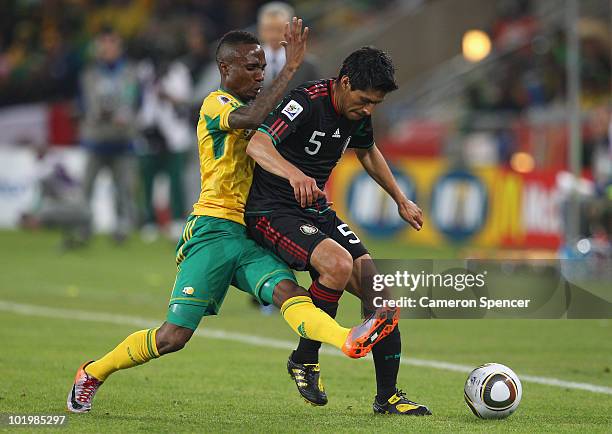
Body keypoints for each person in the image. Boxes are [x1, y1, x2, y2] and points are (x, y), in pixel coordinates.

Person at [67, 22, 398, 414]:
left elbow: (290, 121)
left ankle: (344, 341)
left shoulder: (265, 105)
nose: (261, 76)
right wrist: (290, 69)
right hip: (214, 229)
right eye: (253, 69)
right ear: (226, 70)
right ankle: (93, 372)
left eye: (263, 68)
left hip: (253, 231)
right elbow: (254, 118)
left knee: (288, 294)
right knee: (173, 337)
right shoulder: (216, 104)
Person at [245, 47, 431, 415]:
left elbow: (367, 151)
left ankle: (388, 397)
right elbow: (257, 143)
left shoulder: (357, 112)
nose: (368, 110)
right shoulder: (305, 102)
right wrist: (294, 173)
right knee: (338, 264)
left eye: (375, 104)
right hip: (272, 210)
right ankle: (305, 359)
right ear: (344, 83)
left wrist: (400, 199)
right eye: (364, 101)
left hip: (315, 211)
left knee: (382, 299)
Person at [79, 26, 139, 243]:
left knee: (124, 189)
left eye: (111, 43)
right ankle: (84, 227)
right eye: (104, 44)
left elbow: (135, 101)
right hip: (96, 139)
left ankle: (122, 229)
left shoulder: (130, 71)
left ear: (119, 46)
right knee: (86, 188)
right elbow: (86, 103)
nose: (107, 48)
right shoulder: (91, 73)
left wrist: (125, 116)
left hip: (122, 139)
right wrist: (100, 113)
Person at [258, 2, 320, 90]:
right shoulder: (248, 63)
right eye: (269, 29)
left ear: (291, 30)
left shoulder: (307, 66)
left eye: (279, 30)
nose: (274, 35)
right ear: (260, 30)